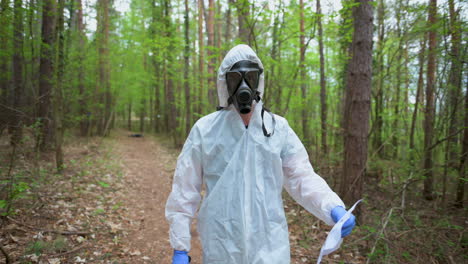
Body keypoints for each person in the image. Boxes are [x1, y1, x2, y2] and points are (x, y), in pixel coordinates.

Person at [165, 44, 355, 264]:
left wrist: (332, 206)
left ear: (259, 82)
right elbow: (184, 190)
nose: (243, 86)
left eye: (251, 77)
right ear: (225, 84)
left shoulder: (278, 128)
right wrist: (180, 247)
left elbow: (301, 177)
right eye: (236, 79)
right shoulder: (205, 130)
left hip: (270, 245)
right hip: (221, 244)